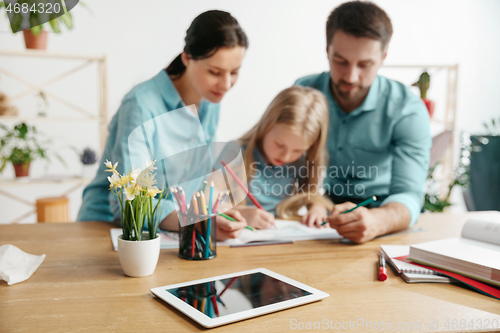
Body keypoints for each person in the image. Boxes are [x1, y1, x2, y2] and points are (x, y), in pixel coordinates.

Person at [78, 10, 249, 240]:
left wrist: (218, 214)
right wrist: (196, 222)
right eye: (214, 72)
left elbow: (194, 183)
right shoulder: (141, 104)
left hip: (170, 229)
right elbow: (131, 201)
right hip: (107, 229)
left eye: (234, 72)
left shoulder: (210, 101)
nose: (226, 84)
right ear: (187, 57)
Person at [295, 1, 431, 243]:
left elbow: (409, 194)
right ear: (327, 50)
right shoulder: (303, 92)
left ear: (383, 57)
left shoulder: (407, 109)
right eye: (340, 61)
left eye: (365, 64)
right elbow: (278, 166)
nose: (351, 76)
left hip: (383, 211)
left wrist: (379, 220)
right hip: (320, 211)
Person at [216, 86, 333, 229]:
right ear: (266, 126)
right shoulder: (235, 151)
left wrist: (317, 207)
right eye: (279, 145)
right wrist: (240, 213)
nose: (286, 155)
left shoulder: (302, 161)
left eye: (298, 150)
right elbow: (206, 202)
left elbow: (312, 194)